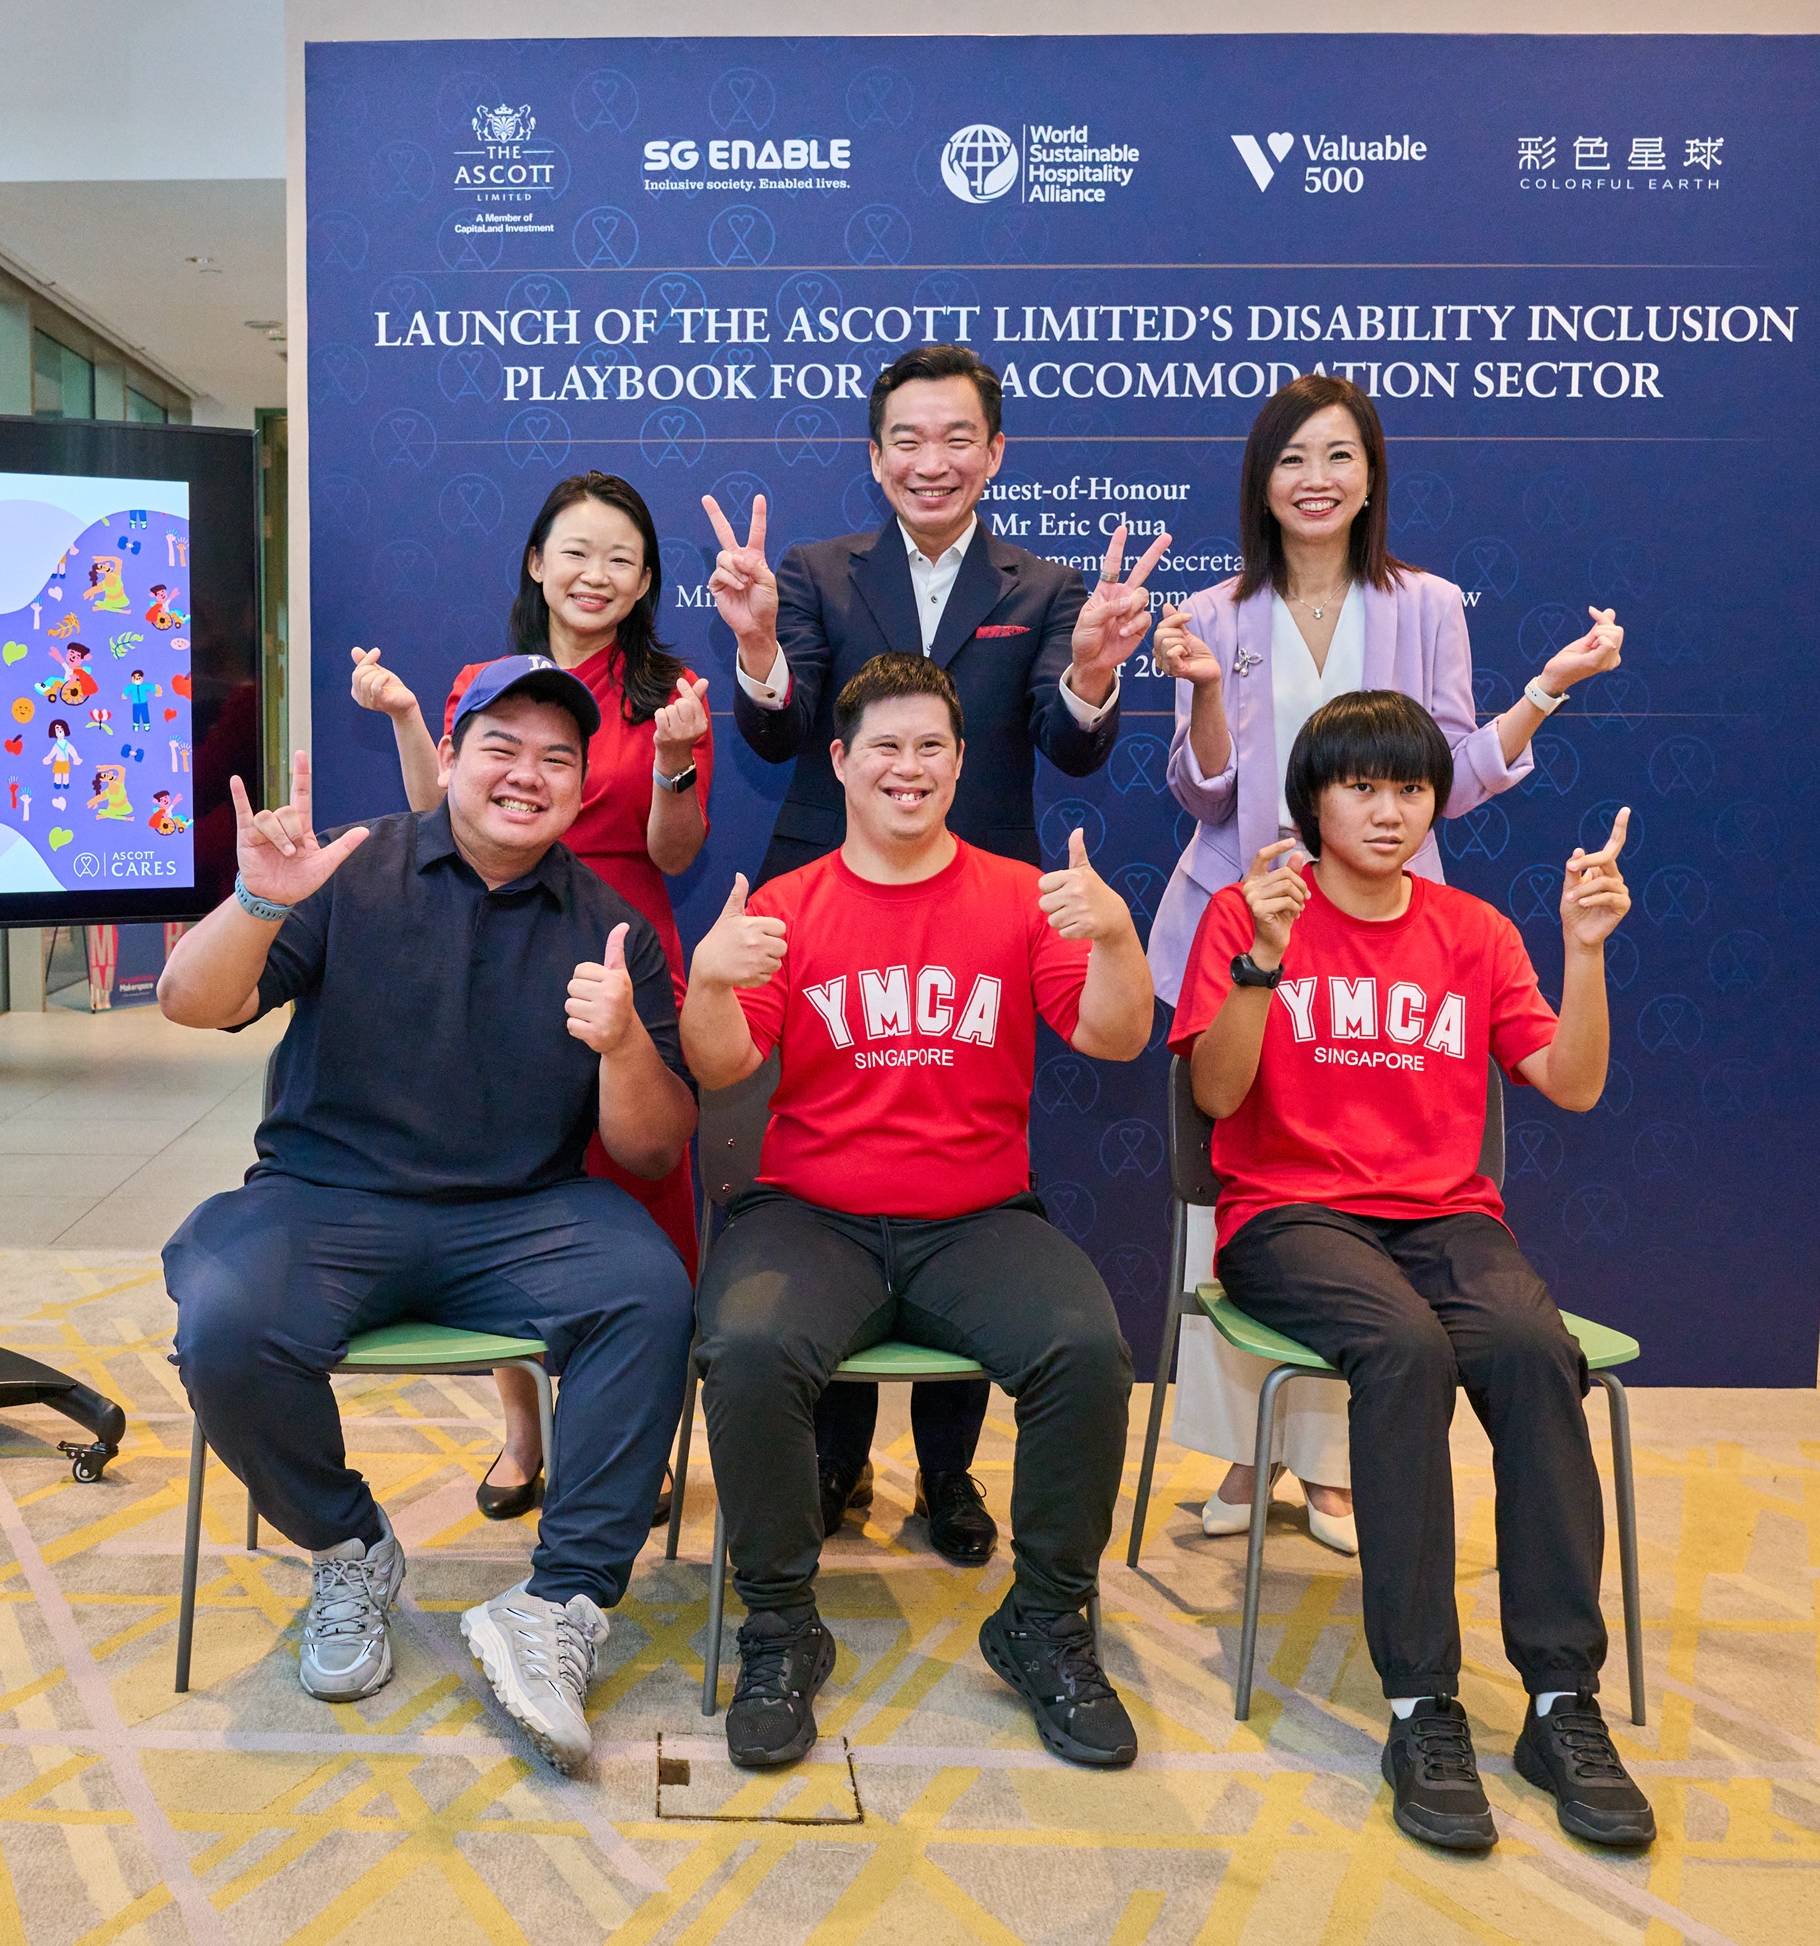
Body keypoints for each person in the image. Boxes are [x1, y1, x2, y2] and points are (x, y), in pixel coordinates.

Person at [157, 662, 698, 1774]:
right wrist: (262, 901)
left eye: (558, 758)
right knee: (225, 1320)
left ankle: (559, 1605)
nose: (528, 775)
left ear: (581, 786)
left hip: (521, 1212)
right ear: (448, 757)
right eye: (502, 745)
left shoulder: (612, 928)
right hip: (330, 1198)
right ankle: (350, 1545)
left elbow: (651, 1148)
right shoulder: (351, 874)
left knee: (648, 1292)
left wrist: (627, 1043)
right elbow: (189, 1002)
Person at [1146, 374, 1625, 1554]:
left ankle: (1345, 1473)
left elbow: (1445, 771)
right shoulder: (1210, 609)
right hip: (1242, 920)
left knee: (1381, 1207)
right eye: (1293, 457)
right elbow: (1205, 790)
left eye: (1340, 455)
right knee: (1256, 1198)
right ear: (1260, 480)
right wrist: (1205, 695)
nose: (1317, 477)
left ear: (1371, 475)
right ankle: (1252, 1456)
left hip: (1387, 937)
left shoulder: (1428, 604)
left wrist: (1543, 694)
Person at [703, 342, 1163, 1565]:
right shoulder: (812, 571)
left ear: (996, 452)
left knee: (966, 1187)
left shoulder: (1049, 583)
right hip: (834, 891)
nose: (932, 460)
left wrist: (1094, 676)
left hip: (988, 916)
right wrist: (754, 647)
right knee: (835, 1175)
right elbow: (781, 718)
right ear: (874, 454)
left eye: (958, 437)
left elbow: (1068, 743)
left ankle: (952, 1478)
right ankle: (838, 1459)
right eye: (907, 438)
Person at [1170, 689, 1651, 1854]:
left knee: (1540, 1349)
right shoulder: (1250, 912)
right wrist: (1263, 965)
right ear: (1314, 801)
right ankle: (1420, 1702)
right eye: (1363, 787)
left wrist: (1583, 954)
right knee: (1403, 1350)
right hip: (1289, 1217)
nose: (1390, 812)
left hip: (1444, 1220)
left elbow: (1572, 1082)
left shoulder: (1474, 932)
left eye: (1411, 789)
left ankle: (1557, 1699)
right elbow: (1216, 1098)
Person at [679, 652, 1153, 1771]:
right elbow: (725, 1063)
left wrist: (1120, 937)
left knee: (1087, 1351)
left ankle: (1042, 1622)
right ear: (840, 763)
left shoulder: (1018, 897)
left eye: (929, 746)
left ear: (959, 761)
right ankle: (782, 1628)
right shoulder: (788, 909)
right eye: (883, 746)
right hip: (813, 1211)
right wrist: (707, 982)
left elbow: (1116, 1036)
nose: (908, 767)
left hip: (976, 1215)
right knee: (744, 1347)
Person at [350, 471, 711, 1523]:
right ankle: (523, 1428)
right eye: (577, 551)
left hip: (619, 946)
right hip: (498, 946)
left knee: (634, 1188)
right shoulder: (490, 676)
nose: (595, 575)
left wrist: (679, 759)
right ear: (535, 561)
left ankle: (625, 1444)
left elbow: (673, 850)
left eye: (622, 559)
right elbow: (438, 810)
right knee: (506, 1181)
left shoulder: (671, 690)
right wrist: (417, 716)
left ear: (645, 581)